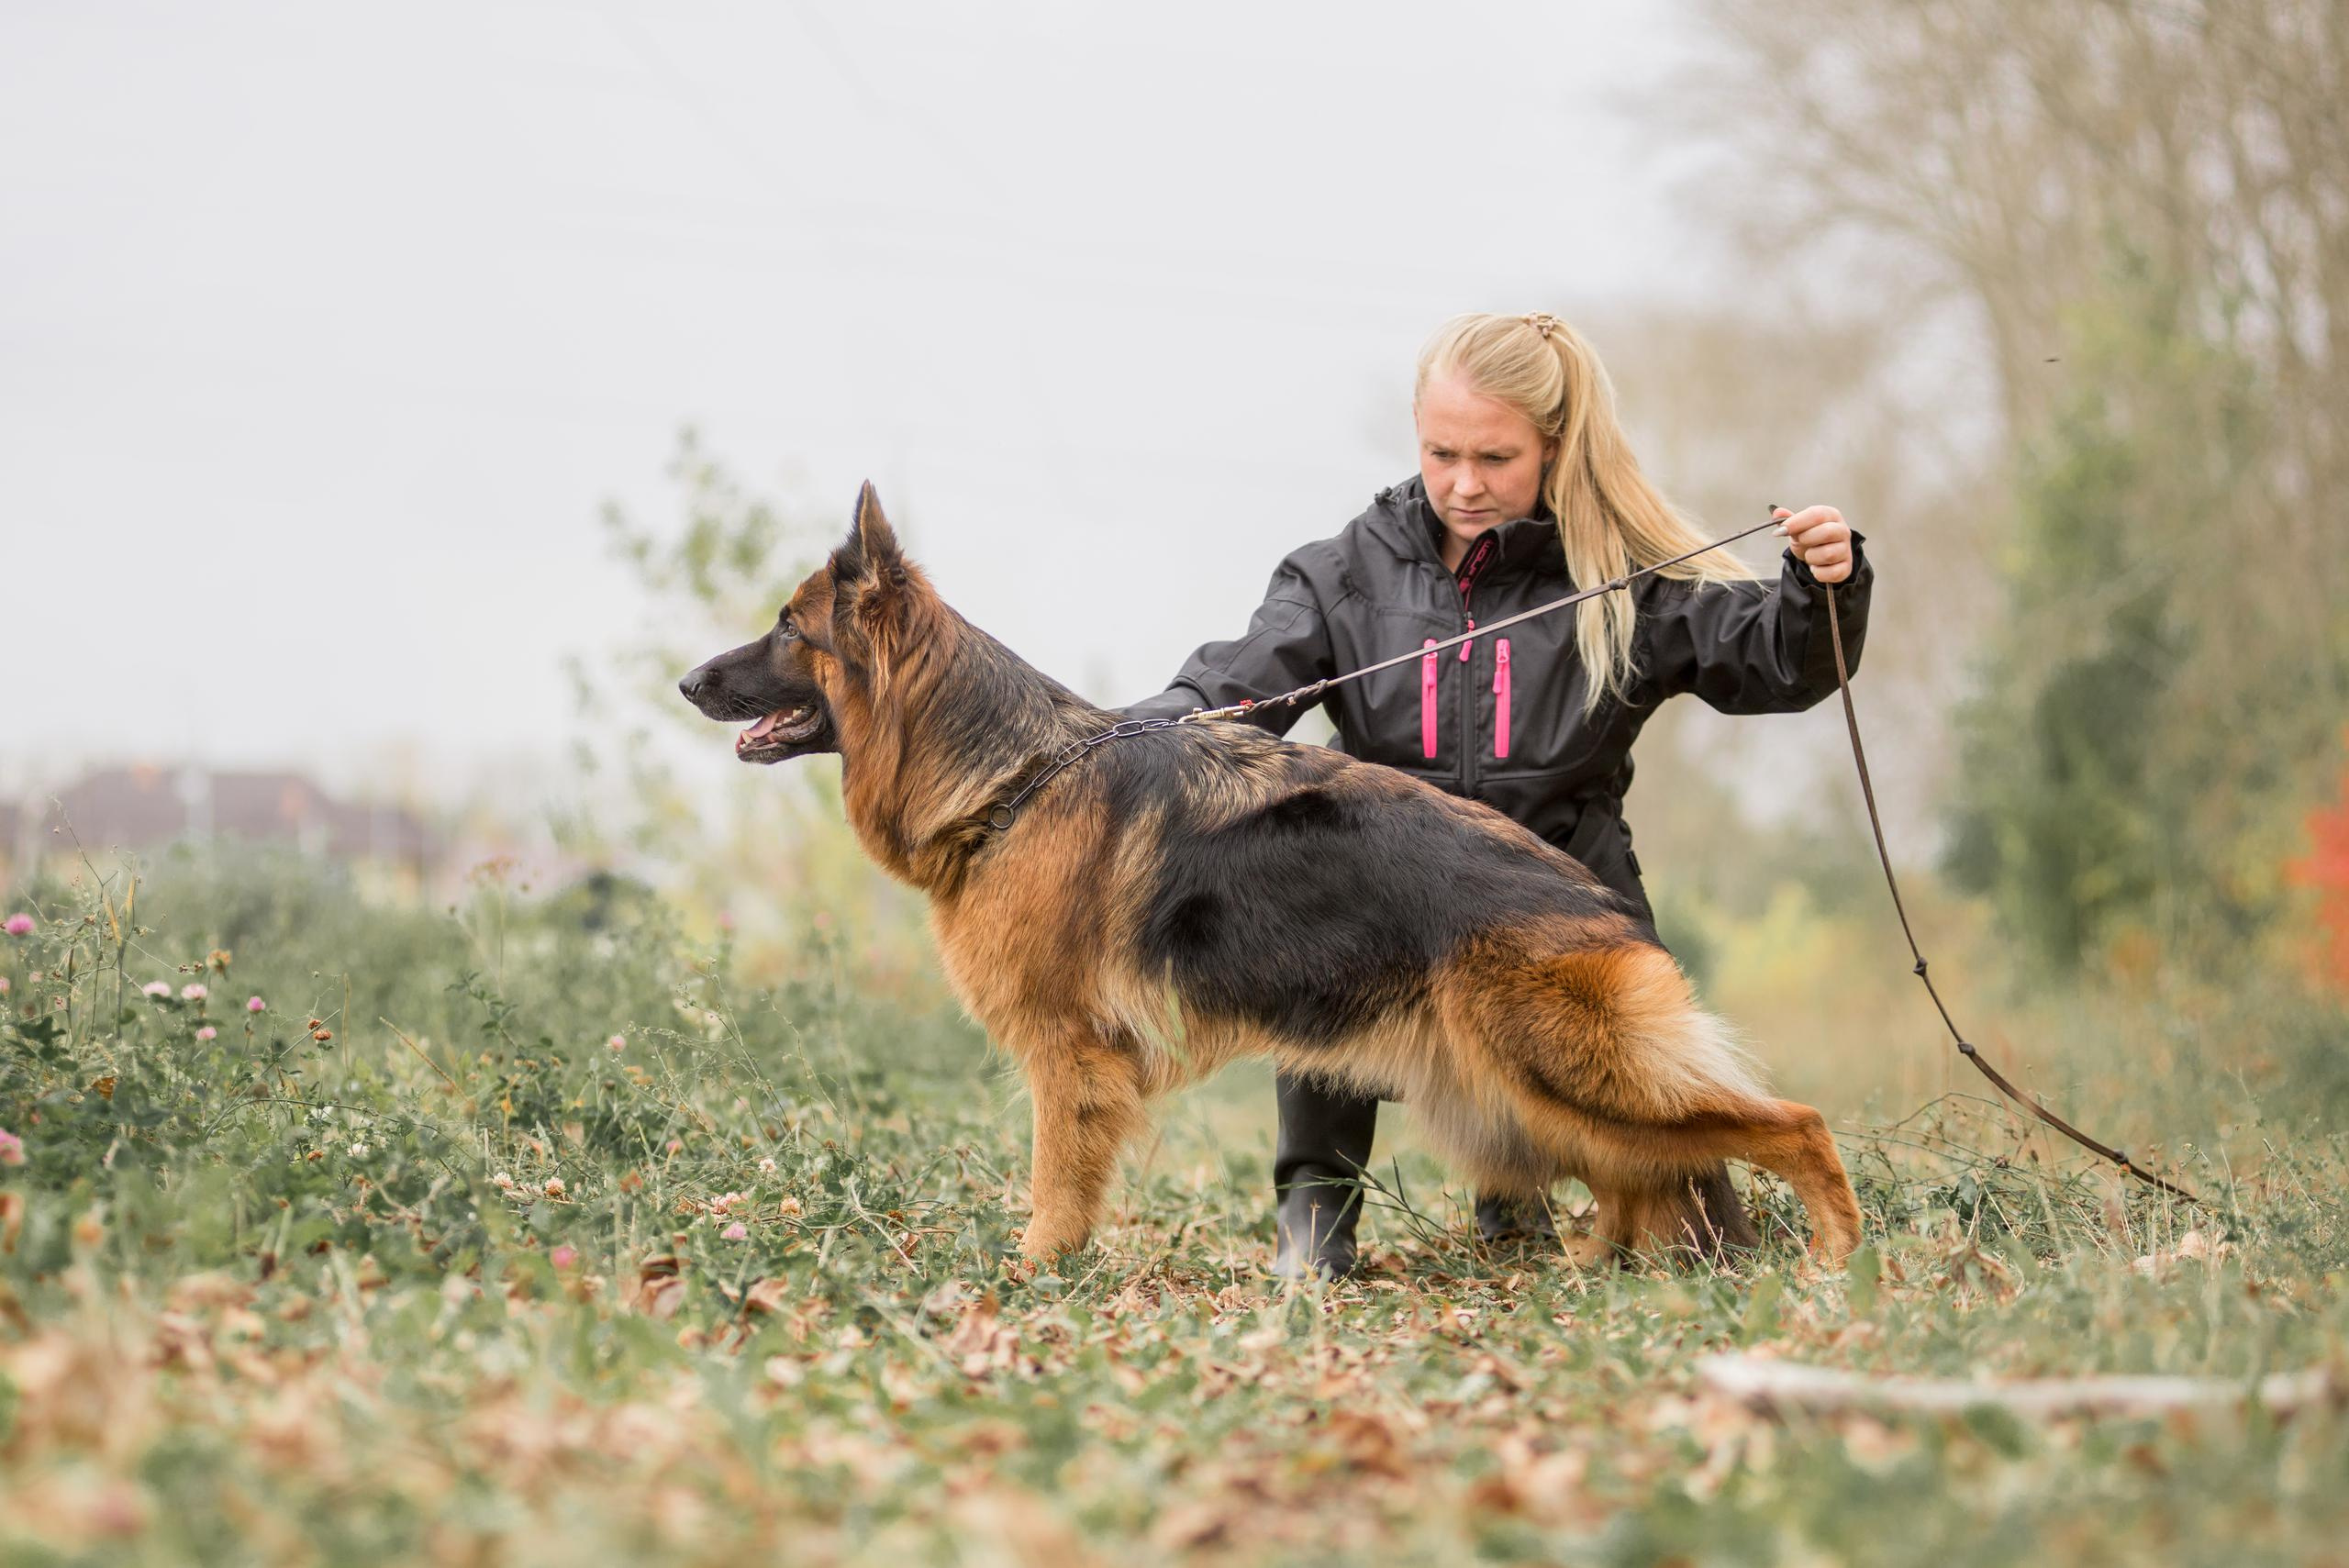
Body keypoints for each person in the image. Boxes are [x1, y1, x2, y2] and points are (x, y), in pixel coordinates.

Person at [1124, 311, 1874, 1277]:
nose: (1464, 483)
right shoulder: (1340, 573)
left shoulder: (1621, 575)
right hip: (1386, 910)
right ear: (1414, 433)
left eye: (1494, 457)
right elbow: (1238, 682)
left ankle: (1520, 1201)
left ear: (1552, 446)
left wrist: (1825, 587)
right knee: (1306, 914)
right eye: (1441, 452)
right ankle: (1314, 1215)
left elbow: (1775, 663)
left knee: (1701, 1252)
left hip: (1562, 909)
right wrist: (1164, 722)